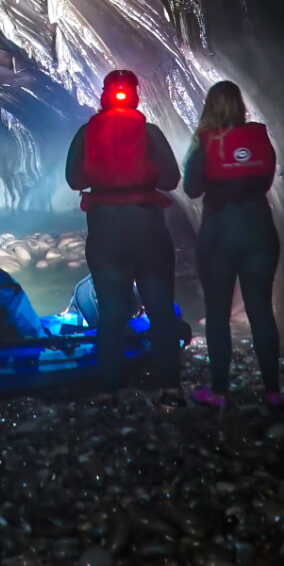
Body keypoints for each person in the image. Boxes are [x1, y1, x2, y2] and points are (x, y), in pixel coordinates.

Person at [65, 68, 182, 391]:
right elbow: (172, 179)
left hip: (105, 232)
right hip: (148, 229)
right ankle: (171, 390)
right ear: (136, 95)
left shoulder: (87, 133)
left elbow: (75, 180)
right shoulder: (149, 132)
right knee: (160, 311)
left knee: (112, 314)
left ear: (104, 95)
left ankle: (108, 392)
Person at [181, 80, 282, 407]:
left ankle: (220, 392)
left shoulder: (205, 143)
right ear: (240, 106)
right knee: (262, 313)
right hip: (259, 229)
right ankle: (273, 392)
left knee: (218, 313)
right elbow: (266, 181)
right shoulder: (257, 138)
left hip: (219, 234)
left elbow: (192, 189)